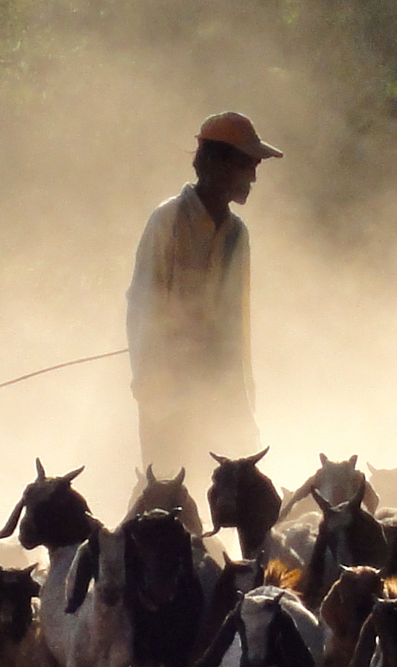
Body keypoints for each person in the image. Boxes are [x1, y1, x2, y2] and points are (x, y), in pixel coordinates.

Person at [126, 111, 281, 481]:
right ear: (216, 163)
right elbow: (144, 307)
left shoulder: (237, 235)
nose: (254, 177)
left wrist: (244, 404)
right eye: (247, 165)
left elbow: (236, 327)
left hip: (219, 393)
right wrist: (154, 393)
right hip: (167, 396)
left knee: (228, 500)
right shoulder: (168, 221)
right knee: (171, 501)